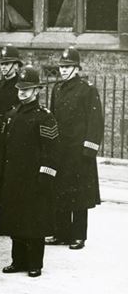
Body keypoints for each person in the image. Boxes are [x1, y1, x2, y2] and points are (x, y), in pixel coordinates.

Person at [0, 66, 58, 277]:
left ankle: (34, 263)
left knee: (34, 222)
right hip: (14, 177)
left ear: (37, 90)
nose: (22, 92)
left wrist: (45, 177)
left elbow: (51, 152)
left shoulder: (45, 117)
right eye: (20, 88)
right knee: (15, 219)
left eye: (27, 89)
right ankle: (18, 261)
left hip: (34, 178)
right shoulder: (12, 115)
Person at [48, 47, 104, 250]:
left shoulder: (87, 90)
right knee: (60, 192)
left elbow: (95, 122)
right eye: (62, 67)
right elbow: (52, 118)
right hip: (61, 151)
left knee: (79, 196)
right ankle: (61, 233)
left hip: (79, 153)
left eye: (68, 67)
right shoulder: (57, 89)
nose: (63, 70)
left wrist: (88, 151)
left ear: (77, 68)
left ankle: (78, 235)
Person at [0, 45, 22, 236]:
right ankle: (3, 223)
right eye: (2, 64)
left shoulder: (21, 85)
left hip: (15, 137)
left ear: (16, 66)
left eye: (8, 64)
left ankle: (14, 222)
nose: (4, 67)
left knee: (13, 180)